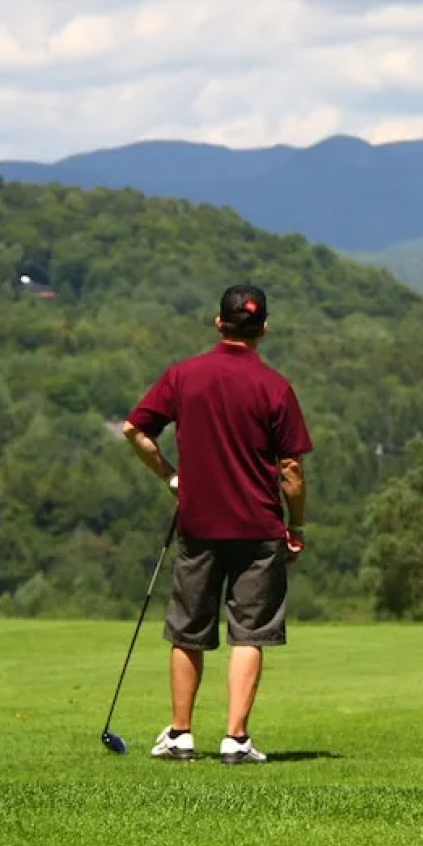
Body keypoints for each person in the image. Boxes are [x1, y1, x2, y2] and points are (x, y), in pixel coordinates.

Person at [122, 284, 312, 765]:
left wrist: (170, 477)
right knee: (249, 633)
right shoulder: (275, 386)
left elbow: (135, 430)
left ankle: (181, 734)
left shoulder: (185, 375)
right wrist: (298, 524)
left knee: (189, 631)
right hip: (259, 529)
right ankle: (236, 738)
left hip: (199, 525)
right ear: (263, 328)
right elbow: (290, 471)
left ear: (218, 322)